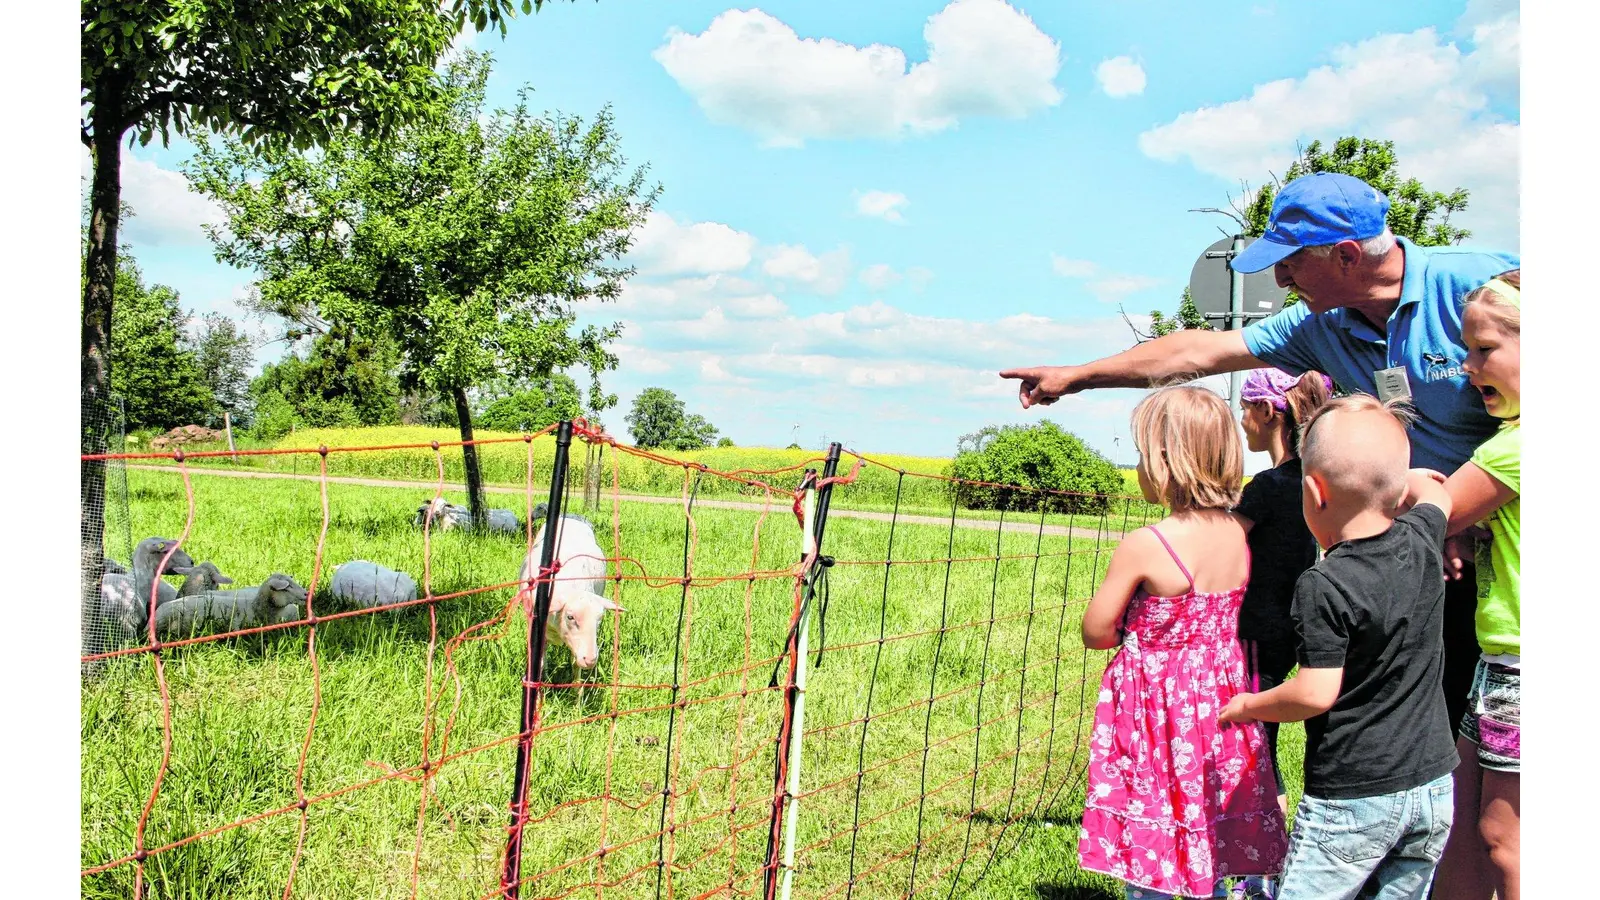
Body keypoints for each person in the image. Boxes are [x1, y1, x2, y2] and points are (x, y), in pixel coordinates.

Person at [1000, 171, 1518, 746]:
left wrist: (1452, 517)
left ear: (1347, 255)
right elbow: (1199, 350)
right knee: (1443, 731)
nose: (1280, 279)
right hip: (1430, 549)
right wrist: (1078, 376)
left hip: (1501, 544)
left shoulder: (1477, 283)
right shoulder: (1320, 325)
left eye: (1290, 262)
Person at [1219, 394, 1458, 899]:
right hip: (1433, 785)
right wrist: (1405, 480)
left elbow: (1313, 693)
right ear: (1397, 488)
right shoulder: (1422, 539)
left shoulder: (1324, 583)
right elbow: (1438, 494)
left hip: (1353, 794)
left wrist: (1248, 705)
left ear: (1313, 491)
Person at [1078, 385, 1287, 900]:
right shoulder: (1236, 534)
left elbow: (1095, 631)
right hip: (1219, 699)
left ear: (1167, 460)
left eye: (1142, 455)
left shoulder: (1147, 544)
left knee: (1150, 803)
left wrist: (1137, 629)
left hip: (1157, 706)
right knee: (1206, 807)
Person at [1429, 270, 1521, 900]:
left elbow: (1428, 513)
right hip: (1499, 662)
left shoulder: (1515, 448)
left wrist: (1414, 483)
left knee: (1505, 841)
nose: (1468, 367)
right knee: (1461, 830)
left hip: (1520, 664)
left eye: (1485, 349)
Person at [1234, 367, 1333, 822]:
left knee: (1254, 746)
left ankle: (1266, 850)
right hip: (1294, 630)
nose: (1242, 421)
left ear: (1266, 411)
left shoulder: (1269, 487)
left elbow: (1220, 546)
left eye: (1245, 409)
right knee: (1263, 740)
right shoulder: (1315, 481)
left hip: (1259, 631)